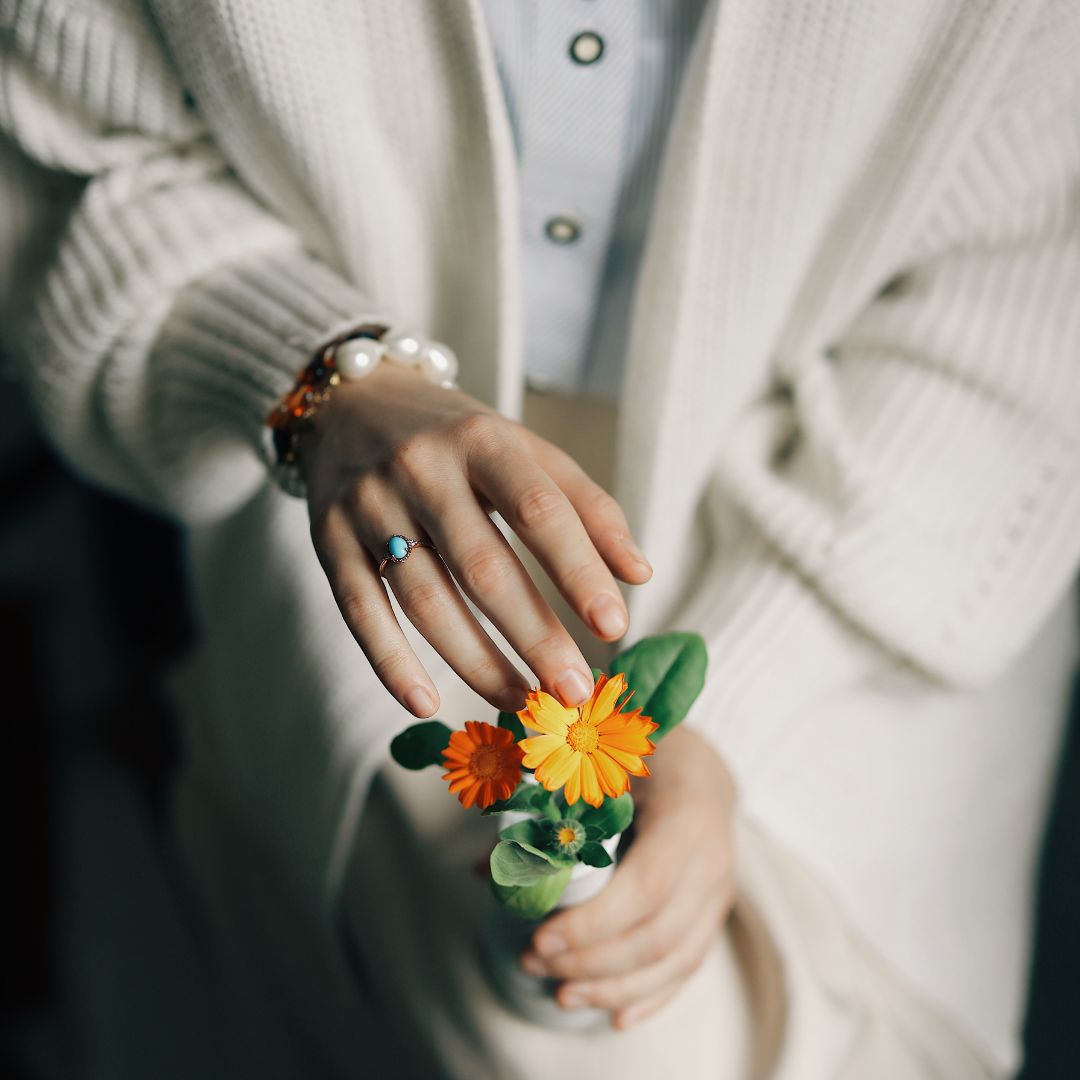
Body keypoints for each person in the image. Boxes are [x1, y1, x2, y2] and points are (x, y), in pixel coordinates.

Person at [2, 0, 1078, 1076]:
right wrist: (320, 378)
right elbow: (70, 168)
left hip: (878, 514)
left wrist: (724, 713)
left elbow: (1023, 317)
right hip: (350, 476)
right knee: (515, 996)